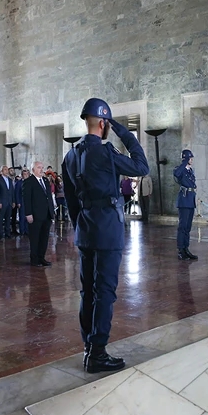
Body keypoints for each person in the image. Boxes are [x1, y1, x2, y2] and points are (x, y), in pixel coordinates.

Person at [62, 97, 149, 373]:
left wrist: (81, 226)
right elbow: (141, 166)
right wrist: (124, 132)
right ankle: (98, 353)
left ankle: (89, 348)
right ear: (103, 123)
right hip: (108, 230)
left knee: (87, 291)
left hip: (85, 230)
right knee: (105, 292)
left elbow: (71, 202)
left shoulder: (71, 156)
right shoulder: (107, 152)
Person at [23, 161, 55, 266]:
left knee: (44, 238)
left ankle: (42, 258)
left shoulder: (45, 180)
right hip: (35, 215)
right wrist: (28, 214)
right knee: (35, 238)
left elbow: (49, 197)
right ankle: (34, 259)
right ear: (33, 170)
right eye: (39, 167)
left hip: (46, 214)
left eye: (42, 167)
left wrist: (51, 212)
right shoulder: (28, 182)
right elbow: (27, 199)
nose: (42, 169)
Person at [174, 150, 198, 261]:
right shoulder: (180, 170)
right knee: (182, 226)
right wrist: (184, 162)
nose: (192, 160)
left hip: (190, 199)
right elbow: (176, 174)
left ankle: (186, 249)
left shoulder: (190, 171)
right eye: (190, 158)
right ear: (186, 159)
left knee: (188, 227)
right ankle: (181, 250)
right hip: (184, 200)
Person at [0, 165, 16, 238]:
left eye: (7, 169)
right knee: (1, 218)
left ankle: (8, 233)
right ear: (1, 171)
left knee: (8, 218)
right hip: (2, 202)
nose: (6, 171)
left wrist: (13, 201)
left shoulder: (10, 180)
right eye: (5, 169)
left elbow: (12, 192)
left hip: (9, 202)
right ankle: (0, 233)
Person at [16, 169, 29, 236]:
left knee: (28, 217)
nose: (26, 175)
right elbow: (17, 193)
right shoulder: (19, 182)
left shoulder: (31, 182)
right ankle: (22, 231)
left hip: (29, 203)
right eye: (24, 174)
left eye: (27, 174)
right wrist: (18, 202)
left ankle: (27, 231)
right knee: (22, 217)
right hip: (22, 202)